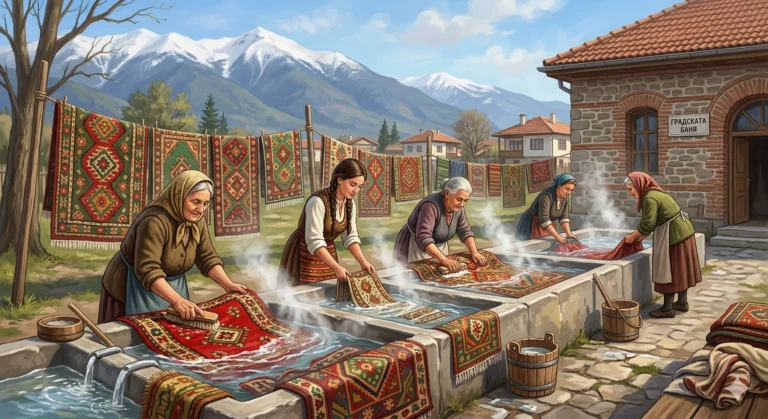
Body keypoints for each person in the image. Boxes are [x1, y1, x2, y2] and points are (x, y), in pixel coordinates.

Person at [98, 170, 248, 324]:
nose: (201, 209)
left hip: (173, 285)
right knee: (139, 333)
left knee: (176, 330)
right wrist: (177, 300)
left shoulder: (197, 220)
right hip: (134, 284)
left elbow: (207, 257)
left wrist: (228, 284)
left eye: (206, 203)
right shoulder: (154, 221)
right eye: (195, 202)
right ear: (179, 196)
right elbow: (148, 269)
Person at [278, 158, 375, 287]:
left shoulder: (350, 204)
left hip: (328, 252)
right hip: (304, 252)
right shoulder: (317, 202)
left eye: (359, 186)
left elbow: (350, 237)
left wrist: (363, 262)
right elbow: (314, 241)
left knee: (329, 290)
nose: (356, 190)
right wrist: (337, 267)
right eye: (352, 184)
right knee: (306, 294)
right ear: (339, 179)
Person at [623, 172, 701, 318]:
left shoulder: (650, 198)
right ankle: (682, 302)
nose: (630, 192)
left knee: (668, 269)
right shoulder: (656, 193)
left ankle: (667, 309)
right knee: (680, 270)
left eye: (630, 189)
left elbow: (648, 224)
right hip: (683, 232)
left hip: (673, 235)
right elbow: (653, 223)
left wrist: (632, 237)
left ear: (639, 186)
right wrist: (639, 237)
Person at [393, 177, 488, 272]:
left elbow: (464, 230)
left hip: (439, 246)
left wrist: (474, 252)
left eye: (465, 200)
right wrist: (443, 259)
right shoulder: (430, 207)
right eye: (459, 199)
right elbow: (423, 237)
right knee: (421, 275)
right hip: (418, 246)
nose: (462, 204)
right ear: (447, 194)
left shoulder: (458, 208)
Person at [515, 173, 578, 243]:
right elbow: (544, 219)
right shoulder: (546, 197)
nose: (569, 192)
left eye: (571, 190)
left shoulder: (564, 198)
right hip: (534, 223)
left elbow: (564, 217)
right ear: (559, 186)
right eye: (567, 189)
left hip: (548, 225)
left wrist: (568, 234)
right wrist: (558, 237)